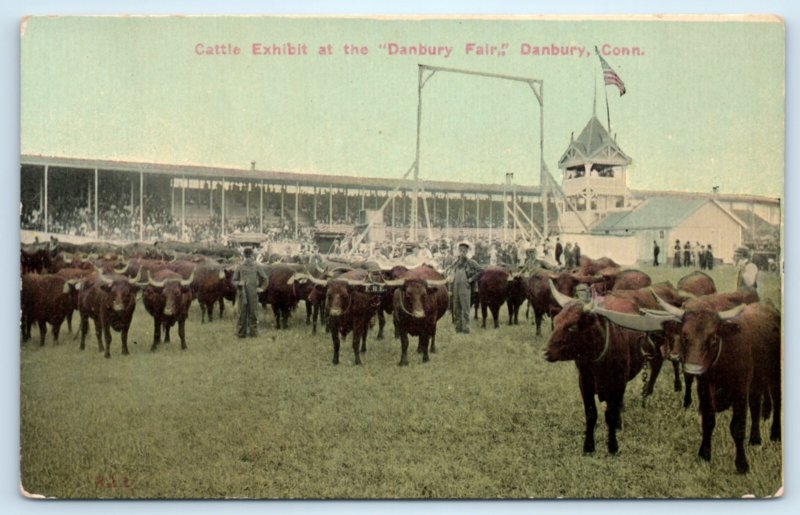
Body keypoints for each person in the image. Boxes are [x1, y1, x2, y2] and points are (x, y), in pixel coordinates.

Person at [232, 247, 269, 338]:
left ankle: (253, 333)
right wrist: (239, 283)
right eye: (247, 257)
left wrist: (262, 288)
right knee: (242, 314)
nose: (248, 259)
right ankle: (241, 333)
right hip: (242, 294)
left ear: (252, 256)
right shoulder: (240, 266)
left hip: (253, 294)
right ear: (245, 256)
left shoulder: (257, 266)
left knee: (253, 313)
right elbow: (233, 281)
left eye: (249, 257)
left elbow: (265, 279)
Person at [449, 241, 482, 334]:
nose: (462, 252)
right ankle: (458, 328)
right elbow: (450, 271)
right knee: (456, 308)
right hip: (456, 286)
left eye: (464, 250)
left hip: (465, 287)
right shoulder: (456, 262)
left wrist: (471, 279)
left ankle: (466, 328)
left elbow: (480, 270)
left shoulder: (471, 262)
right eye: (460, 250)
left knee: (465, 308)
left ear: (467, 251)